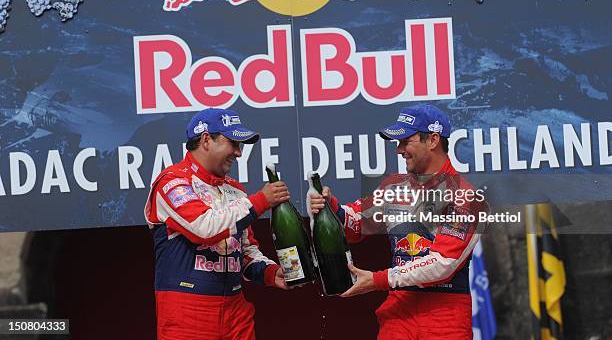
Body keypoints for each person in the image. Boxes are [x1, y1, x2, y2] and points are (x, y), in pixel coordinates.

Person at [309, 104, 487, 339]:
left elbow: (442, 265)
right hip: (398, 312)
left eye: (405, 141)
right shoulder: (393, 188)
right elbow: (356, 223)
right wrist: (330, 205)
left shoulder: (468, 197)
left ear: (432, 140)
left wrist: (378, 280)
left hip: (444, 314)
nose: (399, 150)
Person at [145, 108, 290, 340]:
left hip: (236, 312)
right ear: (205, 140)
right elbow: (204, 227)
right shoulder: (172, 182)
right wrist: (261, 200)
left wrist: (272, 273)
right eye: (232, 143)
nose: (239, 152)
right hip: (187, 313)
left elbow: (244, 251)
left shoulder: (235, 190)